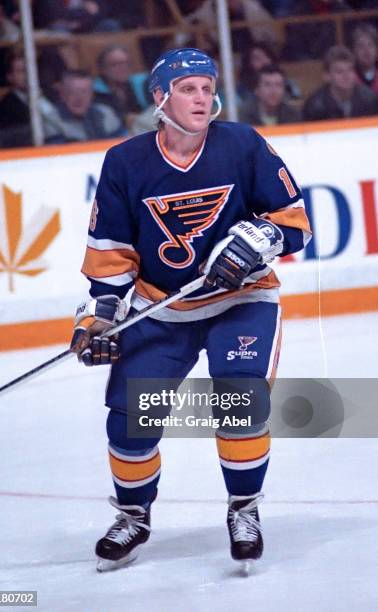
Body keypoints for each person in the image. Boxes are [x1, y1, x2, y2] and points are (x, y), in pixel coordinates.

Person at [70, 48, 311, 572]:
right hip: (162, 309)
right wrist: (103, 316)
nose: (201, 98)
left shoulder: (243, 144)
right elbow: (111, 252)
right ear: (160, 98)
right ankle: (133, 515)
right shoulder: (125, 161)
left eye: (206, 87)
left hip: (241, 301)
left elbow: (294, 220)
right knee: (130, 421)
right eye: (187, 89)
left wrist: (261, 237)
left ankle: (244, 509)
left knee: (239, 398)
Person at [41, 69, 125, 144]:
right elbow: (58, 155)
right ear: (62, 94)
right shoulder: (52, 120)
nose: (79, 98)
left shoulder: (106, 113)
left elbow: (120, 145)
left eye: (84, 92)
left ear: (92, 94)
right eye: (72, 92)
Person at [303, 45, 378, 120]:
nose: (346, 76)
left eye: (350, 70)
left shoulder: (369, 100)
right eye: (339, 71)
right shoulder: (315, 107)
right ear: (327, 76)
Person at [0, 52, 32, 148]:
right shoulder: (4, 107)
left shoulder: (46, 96)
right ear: (10, 77)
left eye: (29, 70)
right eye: (21, 71)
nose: (27, 75)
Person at [351, 23, 378, 94]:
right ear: (354, 51)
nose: (366, 50)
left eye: (370, 45)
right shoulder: (349, 77)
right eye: (361, 46)